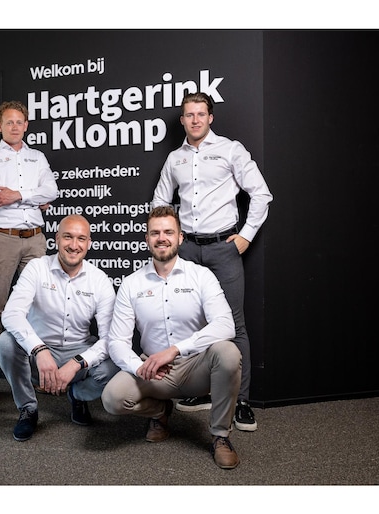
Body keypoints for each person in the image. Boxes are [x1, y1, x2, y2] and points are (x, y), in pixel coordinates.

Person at [151, 92, 272, 431]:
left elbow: (261, 193)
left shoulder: (230, 150)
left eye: (200, 114)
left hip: (223, 248)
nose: (195, 120)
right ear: (182, 120)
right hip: (188, 249)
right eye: (189, 115)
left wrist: (246, 235)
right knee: (192, 322)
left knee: (233, 324)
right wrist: (170, 235)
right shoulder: (175, 158)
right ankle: (199, 391)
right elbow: (160, 200)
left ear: (210, 117)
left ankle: (241, 401)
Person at [101, 206, 242, 469]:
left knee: (228, 352)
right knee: (112, 398)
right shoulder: (132, 284)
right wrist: (139, 367)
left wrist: (175, 349)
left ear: (180, 237)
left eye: (168, 232)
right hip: (154, 371)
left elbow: (226, 324)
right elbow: (117, 341)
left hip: (196, 367)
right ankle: (161, 412)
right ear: (147, 239)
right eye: (155, 233)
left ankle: (220, 436)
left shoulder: (201, 276)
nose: (161, 238)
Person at [0, 214, 118, 441]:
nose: (74, 245)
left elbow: (110, 338)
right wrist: (39, 349)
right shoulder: (36, 268)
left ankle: (77, 395)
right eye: (68, 237)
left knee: (116, 364)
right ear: (57, 239)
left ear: (89, 243)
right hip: (39, 354)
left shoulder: (99, 280)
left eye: (81, 239)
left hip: (78, 351)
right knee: (5, 343)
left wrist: (77, 363)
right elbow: (12, 314)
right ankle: (28, 408)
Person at [0, 100, 58, 401]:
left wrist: (19, 194)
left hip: (35, 238)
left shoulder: (37, 157)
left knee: (39, 307)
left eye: (19, 122)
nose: (15, 127)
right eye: (9, 122)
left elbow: (52, 191)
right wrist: (35, 197)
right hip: (4, 238)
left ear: (26, 125)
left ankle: (39, 373)